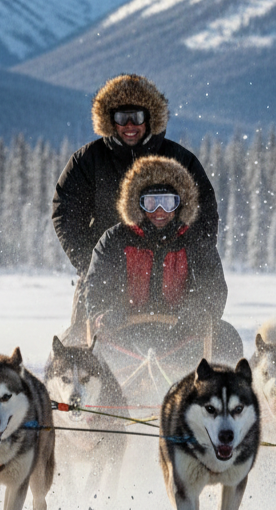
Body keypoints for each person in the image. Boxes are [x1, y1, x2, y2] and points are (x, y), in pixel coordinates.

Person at [53, 74, 219, 336]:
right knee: (79, 344)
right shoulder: (88, 160)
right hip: (108, 276)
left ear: (150, 118)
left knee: (192, 344)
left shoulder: (178, 158)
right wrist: (91, 262)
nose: (129, 125)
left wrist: (196, 254)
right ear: (109, 120)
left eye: (137, 117)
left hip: (172, 270)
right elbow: (66, 213)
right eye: (121, 118)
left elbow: (204, 210)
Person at [82, 155, 242, 366]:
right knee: (73, 341)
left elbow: (213, 288)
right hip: (125, 334)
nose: (159, 211)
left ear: (179, 204)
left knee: (228, 336)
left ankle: (226, 395)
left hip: (181, 335)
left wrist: (200, 312)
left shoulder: (195, 240)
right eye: (150, 202)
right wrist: (103, 314)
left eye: (168, 202)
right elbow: (96, 288)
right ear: (137, 205)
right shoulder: (114, 240)